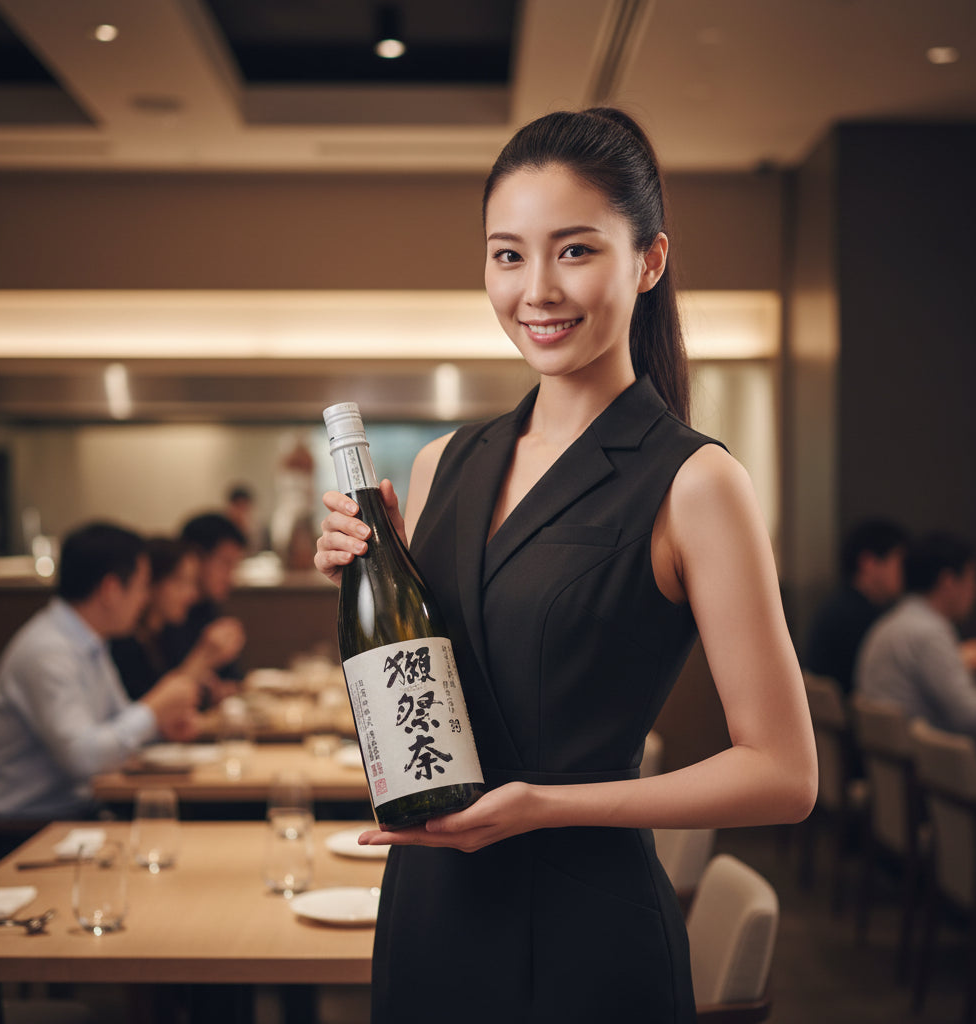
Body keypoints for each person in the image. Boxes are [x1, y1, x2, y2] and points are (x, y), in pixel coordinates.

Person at [315, 108, 817, 1023]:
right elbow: (421, 701)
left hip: (586, 935)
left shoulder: (696, 480)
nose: (536, 289)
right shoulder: (441, 464)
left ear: (649, 262)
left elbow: (785, 774)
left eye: (574, 251)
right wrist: (359, 577)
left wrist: (545, 804)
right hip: (430, 917)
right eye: (508, 255)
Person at [0, 522, 200, 820]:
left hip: (72, 812)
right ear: (111, 590)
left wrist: (160, 727)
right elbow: (83, 758)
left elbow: (115, 727)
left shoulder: (91, 642)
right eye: (141, 587)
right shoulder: (48, 650)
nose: (144, 599)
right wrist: (154, 710)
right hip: (16, 826)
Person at [855, 531, 976, 739]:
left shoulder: (893, 621)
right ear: (948, 581)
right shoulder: (929, 633)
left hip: (889, 760)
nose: (973, 590)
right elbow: (969, 715)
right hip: (924, 766)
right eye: (971, 579)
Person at [110, 536, 245, 704]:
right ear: (153, 583)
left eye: (192, 583)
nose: (192, 595)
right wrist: (203, 655)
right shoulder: (123, 640)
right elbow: (147, 710)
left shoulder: (167, 632)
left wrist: (209, 691)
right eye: (181, 582)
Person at [804, 518, 909, 694]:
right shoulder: (859, 618)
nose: (905, 572)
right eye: (899, 562)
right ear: (868, 562)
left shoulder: (836, 606)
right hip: (851, 717)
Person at [159, 512, 247, 685]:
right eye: (225, 563)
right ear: (195, 558)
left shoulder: (207, 608)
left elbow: (230, 678)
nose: (230, 578)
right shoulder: (167, 617)